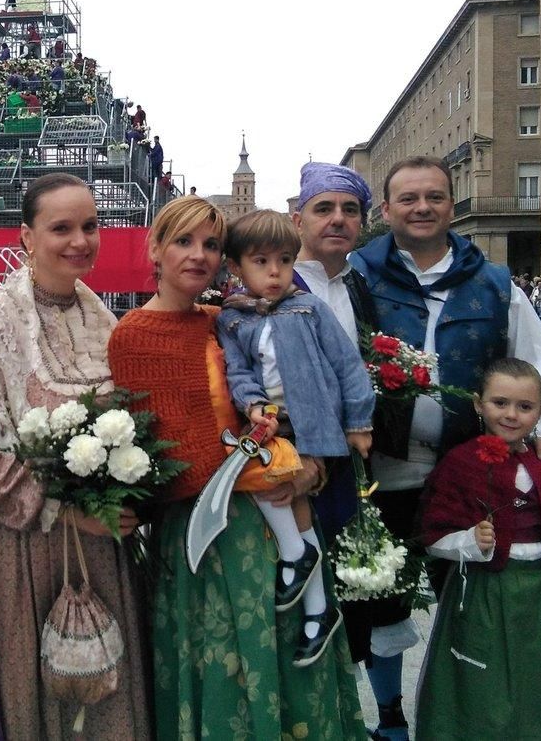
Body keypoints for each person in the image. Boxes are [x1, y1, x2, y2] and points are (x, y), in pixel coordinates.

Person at [109, 196, 366, 740]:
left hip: (278, 509)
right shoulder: (133, 335)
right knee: (223, 673)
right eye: (183, 241)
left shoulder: (231, 320)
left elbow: (309, 391)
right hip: (205, 530)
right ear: (155, 249)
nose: (198, 255)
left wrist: (311, 468)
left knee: (294, 662)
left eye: (209, 244)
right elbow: (149, 456)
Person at [349, 155, 541, 741]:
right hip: (383, 469)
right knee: (381, 592)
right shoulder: (356, 276)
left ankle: (472, 714)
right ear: (387, 209)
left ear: (452, 203)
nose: (422, 208)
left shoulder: (495, 283)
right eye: (408, 198)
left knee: (473, 595)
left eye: (434, 197)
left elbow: (538, 368)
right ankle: (390, 717)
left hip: (472, 471)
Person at [0, 173, 149, 740]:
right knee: (35, 690)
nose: (80, 241)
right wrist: (65, 511)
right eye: (61, 227)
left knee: (104, 688)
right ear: (26, 237)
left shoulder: (106, 322)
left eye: (89, 226)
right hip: (23, 546)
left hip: (102, 544)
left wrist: (123, 495)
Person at [217, 209, 375, 665]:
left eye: (284, 261)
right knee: (272, 485)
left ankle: (301, 568)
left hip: (313, 422)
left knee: (295, 493)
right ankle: (317, 608)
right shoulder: (233, 319)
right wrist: (251, 404)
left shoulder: (308, 308)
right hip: (270, 424)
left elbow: (348, 364)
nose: (274, 272)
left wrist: (359, 422)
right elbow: (238, 371)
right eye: (261, 262)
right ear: (237, 268)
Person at [415, 358, 541, 740]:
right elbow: (433, 535)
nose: (511, 415)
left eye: (525, 407)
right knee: (484, 684)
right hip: (486, 594)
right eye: (500, 403)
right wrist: (469, 541)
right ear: (479, 404)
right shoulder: (461, 463)